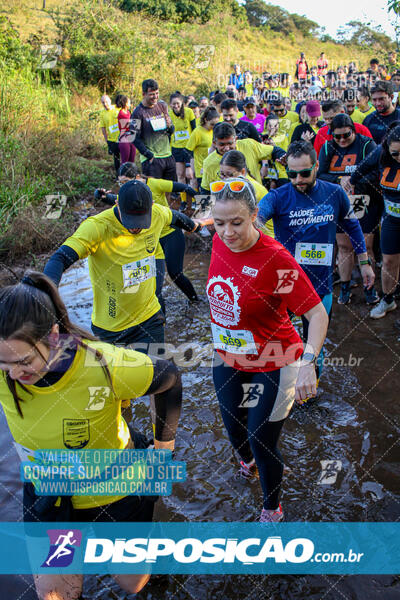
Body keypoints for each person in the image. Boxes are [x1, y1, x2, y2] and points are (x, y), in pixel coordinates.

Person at [0, 271, 183, 599]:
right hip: (48, 494)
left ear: (53, 336)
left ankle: (155, 546)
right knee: (55, 594)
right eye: (3, 364)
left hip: (115, 487)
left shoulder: (105, 365)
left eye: (24, 362)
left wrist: (162, 452)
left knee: (132, 583)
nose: (13, 373)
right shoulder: (6, 368)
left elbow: (169, 379)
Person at [207, 177, 329, 522]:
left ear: (254, 215)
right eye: (219, 223)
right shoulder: (218, 242)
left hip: (276, 359)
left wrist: (309, 362)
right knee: (234, 429)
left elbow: (316, 314)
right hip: (228, 356)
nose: (227, 232)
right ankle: (250, 465)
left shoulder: (275, 260)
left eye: (236, 223)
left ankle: (272, 507)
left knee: (261, 440)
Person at [258, 141, 375, 377]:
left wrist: (365, 264)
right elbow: (257, 219)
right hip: (286, 282)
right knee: (281, 340)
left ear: (316, 166)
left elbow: (353, 228)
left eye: (304, 173)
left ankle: (310, 393)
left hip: (320, 283)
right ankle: (284, 389)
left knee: (314, 345)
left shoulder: (334, 193)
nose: (298, 179)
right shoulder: (277, 196)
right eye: (292, 174)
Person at [43, 180, 201, 351]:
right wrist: (45, 297)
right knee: (113, 377)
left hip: (149, 319)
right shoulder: (97, 227)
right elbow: (60, 258)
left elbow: (176, 217)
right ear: (117, 203)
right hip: (110, 328)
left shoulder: (157, 213)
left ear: (152, 205)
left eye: (141, 220)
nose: (135, 228)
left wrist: (193, 226)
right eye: (131, 220)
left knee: (155, 373)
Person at [98, 163, 199, 313]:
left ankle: (196, 301)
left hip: (170, 234)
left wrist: (198, 204)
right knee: (153, 287)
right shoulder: (130, 193)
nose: (123, 186)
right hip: (151, 240)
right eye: (121, 182)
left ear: (138, 177)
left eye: (126, 181)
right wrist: (101, 196)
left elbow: (186, 188)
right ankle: (159, 323)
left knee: (175, 274)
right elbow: (116, 199)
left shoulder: (155, 184)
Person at [317, 114, 380, 305]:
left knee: (366, 246)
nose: (342, 140)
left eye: (346, 135)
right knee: (344, 247)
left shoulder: (367, 145)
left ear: (354, 130)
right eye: (338, 137)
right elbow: (320, 175)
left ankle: (369, 287)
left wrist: (354, 181)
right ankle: (345, 287)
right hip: (339, 202)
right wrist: (339, 181)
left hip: (366, 199)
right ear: (331, 135)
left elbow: (378, 171)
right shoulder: (328, 147)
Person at [350, 124, 400, 318]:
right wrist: (349, 185)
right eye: (395, 153)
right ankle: (388, 300)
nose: (399, 158)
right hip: (392, 218)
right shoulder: (380, 153)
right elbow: (359, 171)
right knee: (388, 262)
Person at [200, 122, 286, 192]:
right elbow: (205, 191)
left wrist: (283, 156)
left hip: (256, 199)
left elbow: (273, 150)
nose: (227, 148)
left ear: (236, 139)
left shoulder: (248, 145)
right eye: (222, 144)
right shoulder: (208, 163)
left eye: (230, 143)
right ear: (214, 143)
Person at [129, 79, 176, 181]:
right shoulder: (137, 113)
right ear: (143, 94)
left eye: (157, 93)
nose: (155, 97)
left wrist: (170, 127)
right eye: (151, 94)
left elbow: (170, 131)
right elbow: (132, 137)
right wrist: (148, 155)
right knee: (154, 193)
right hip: (152, 160)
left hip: (168, 155)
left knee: (172, 191)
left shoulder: (162, 106)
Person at [219, 150, 274, 237]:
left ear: (243, 172)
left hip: (263, 236)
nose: (225, 179)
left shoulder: (251, 188)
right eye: (222, 174)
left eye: (229, 175)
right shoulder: (235, 185)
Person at [186, 106, 220, 189]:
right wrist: (189, 167)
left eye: (216, 124)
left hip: (215, 170)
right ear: (205, 120)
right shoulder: (198, 132)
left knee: (215, 197)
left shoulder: (216, 131)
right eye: (212, 124)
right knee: (203, 198)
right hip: (201, 170)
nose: (214, 127)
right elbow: (187, 150)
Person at [168, 92, 196, 185]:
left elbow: (194, 129)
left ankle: (192, 198)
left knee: (192, 175)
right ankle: (183, 198)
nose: (176, 106)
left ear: (182, 103)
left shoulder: (189, 112)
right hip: (176, 147)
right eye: (173, 104)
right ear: (170, 104)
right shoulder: (169, 115)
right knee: (180, 175)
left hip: (189, 147)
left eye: (178, 103)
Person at [99, 94, 120, 175]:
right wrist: (106, 140)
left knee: (125, 158)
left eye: (106, 102)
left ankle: (128, 176)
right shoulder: (102, 113)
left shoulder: (117, 108)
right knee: (116, 159)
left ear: (110, 101)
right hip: (112, 139)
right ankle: (118, 176)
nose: (105, 104)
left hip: (122, 138)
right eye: (103, 102)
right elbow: (103, 127)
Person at [116, 94, 136, 165]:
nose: (130, 104)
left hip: (131, 137)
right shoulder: (121, 114)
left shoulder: (128, 112)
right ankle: (122, 175)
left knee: (131, 162)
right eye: (129, 103)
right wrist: (135, 116)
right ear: (125, 103)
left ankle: (130, 175)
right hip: (125, 138)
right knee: (125, 162)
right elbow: (130, 125)